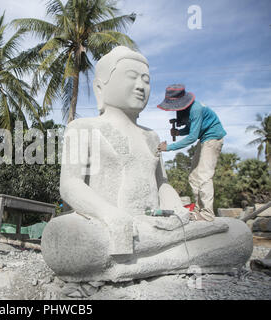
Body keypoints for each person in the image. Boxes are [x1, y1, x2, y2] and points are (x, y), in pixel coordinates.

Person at [40, 46, 252, 282]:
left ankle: (130, 267)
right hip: (111, 225)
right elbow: (70, 185)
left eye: (146, 80)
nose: (141, 86)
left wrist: (177, 210)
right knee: (72, 239)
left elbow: (162, 184)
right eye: (131, 77)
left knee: (239, 234)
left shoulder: (151, 136)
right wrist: (111, 215)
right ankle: (170, 259)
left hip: (154, 227)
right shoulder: (84, 128)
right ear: (101, 87)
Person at [157, 84, 226, 222]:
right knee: (194, 176)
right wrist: (178, 131)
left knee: (204, 175)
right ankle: (198, 210)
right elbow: (194, 128)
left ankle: (207, 214)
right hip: (204, 138)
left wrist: (168, 148)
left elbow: (193, 137)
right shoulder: (186, 110)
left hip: (213, 138)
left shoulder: (196, 108)